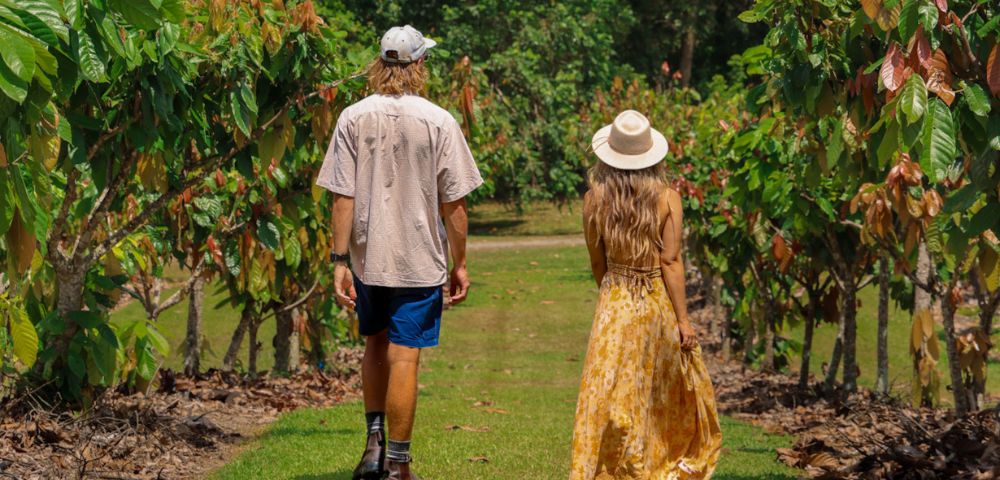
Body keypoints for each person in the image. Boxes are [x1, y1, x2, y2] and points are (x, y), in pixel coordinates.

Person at [316, 25, 483, 480]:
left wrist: (339, 261)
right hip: (418, 259)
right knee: (404, 356)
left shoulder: (352, 117)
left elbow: (342, 197)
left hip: (369, 258)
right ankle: (399, 465)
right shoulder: (439, 120)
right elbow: (455, 205)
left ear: (380, 65)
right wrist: (460, 262)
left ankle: (373, 446)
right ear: (418, 66)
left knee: (374, 345)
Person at [570, 110, 722, 479]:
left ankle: (611, 467)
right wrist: (684, 320)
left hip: (615, 297)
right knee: (655, 390)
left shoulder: (594, 199)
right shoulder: (667, 198)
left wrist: (613, 294)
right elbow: (670, 261)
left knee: (608, 391)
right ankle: (652, 464)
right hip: (655, 300)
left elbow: (596, 261)